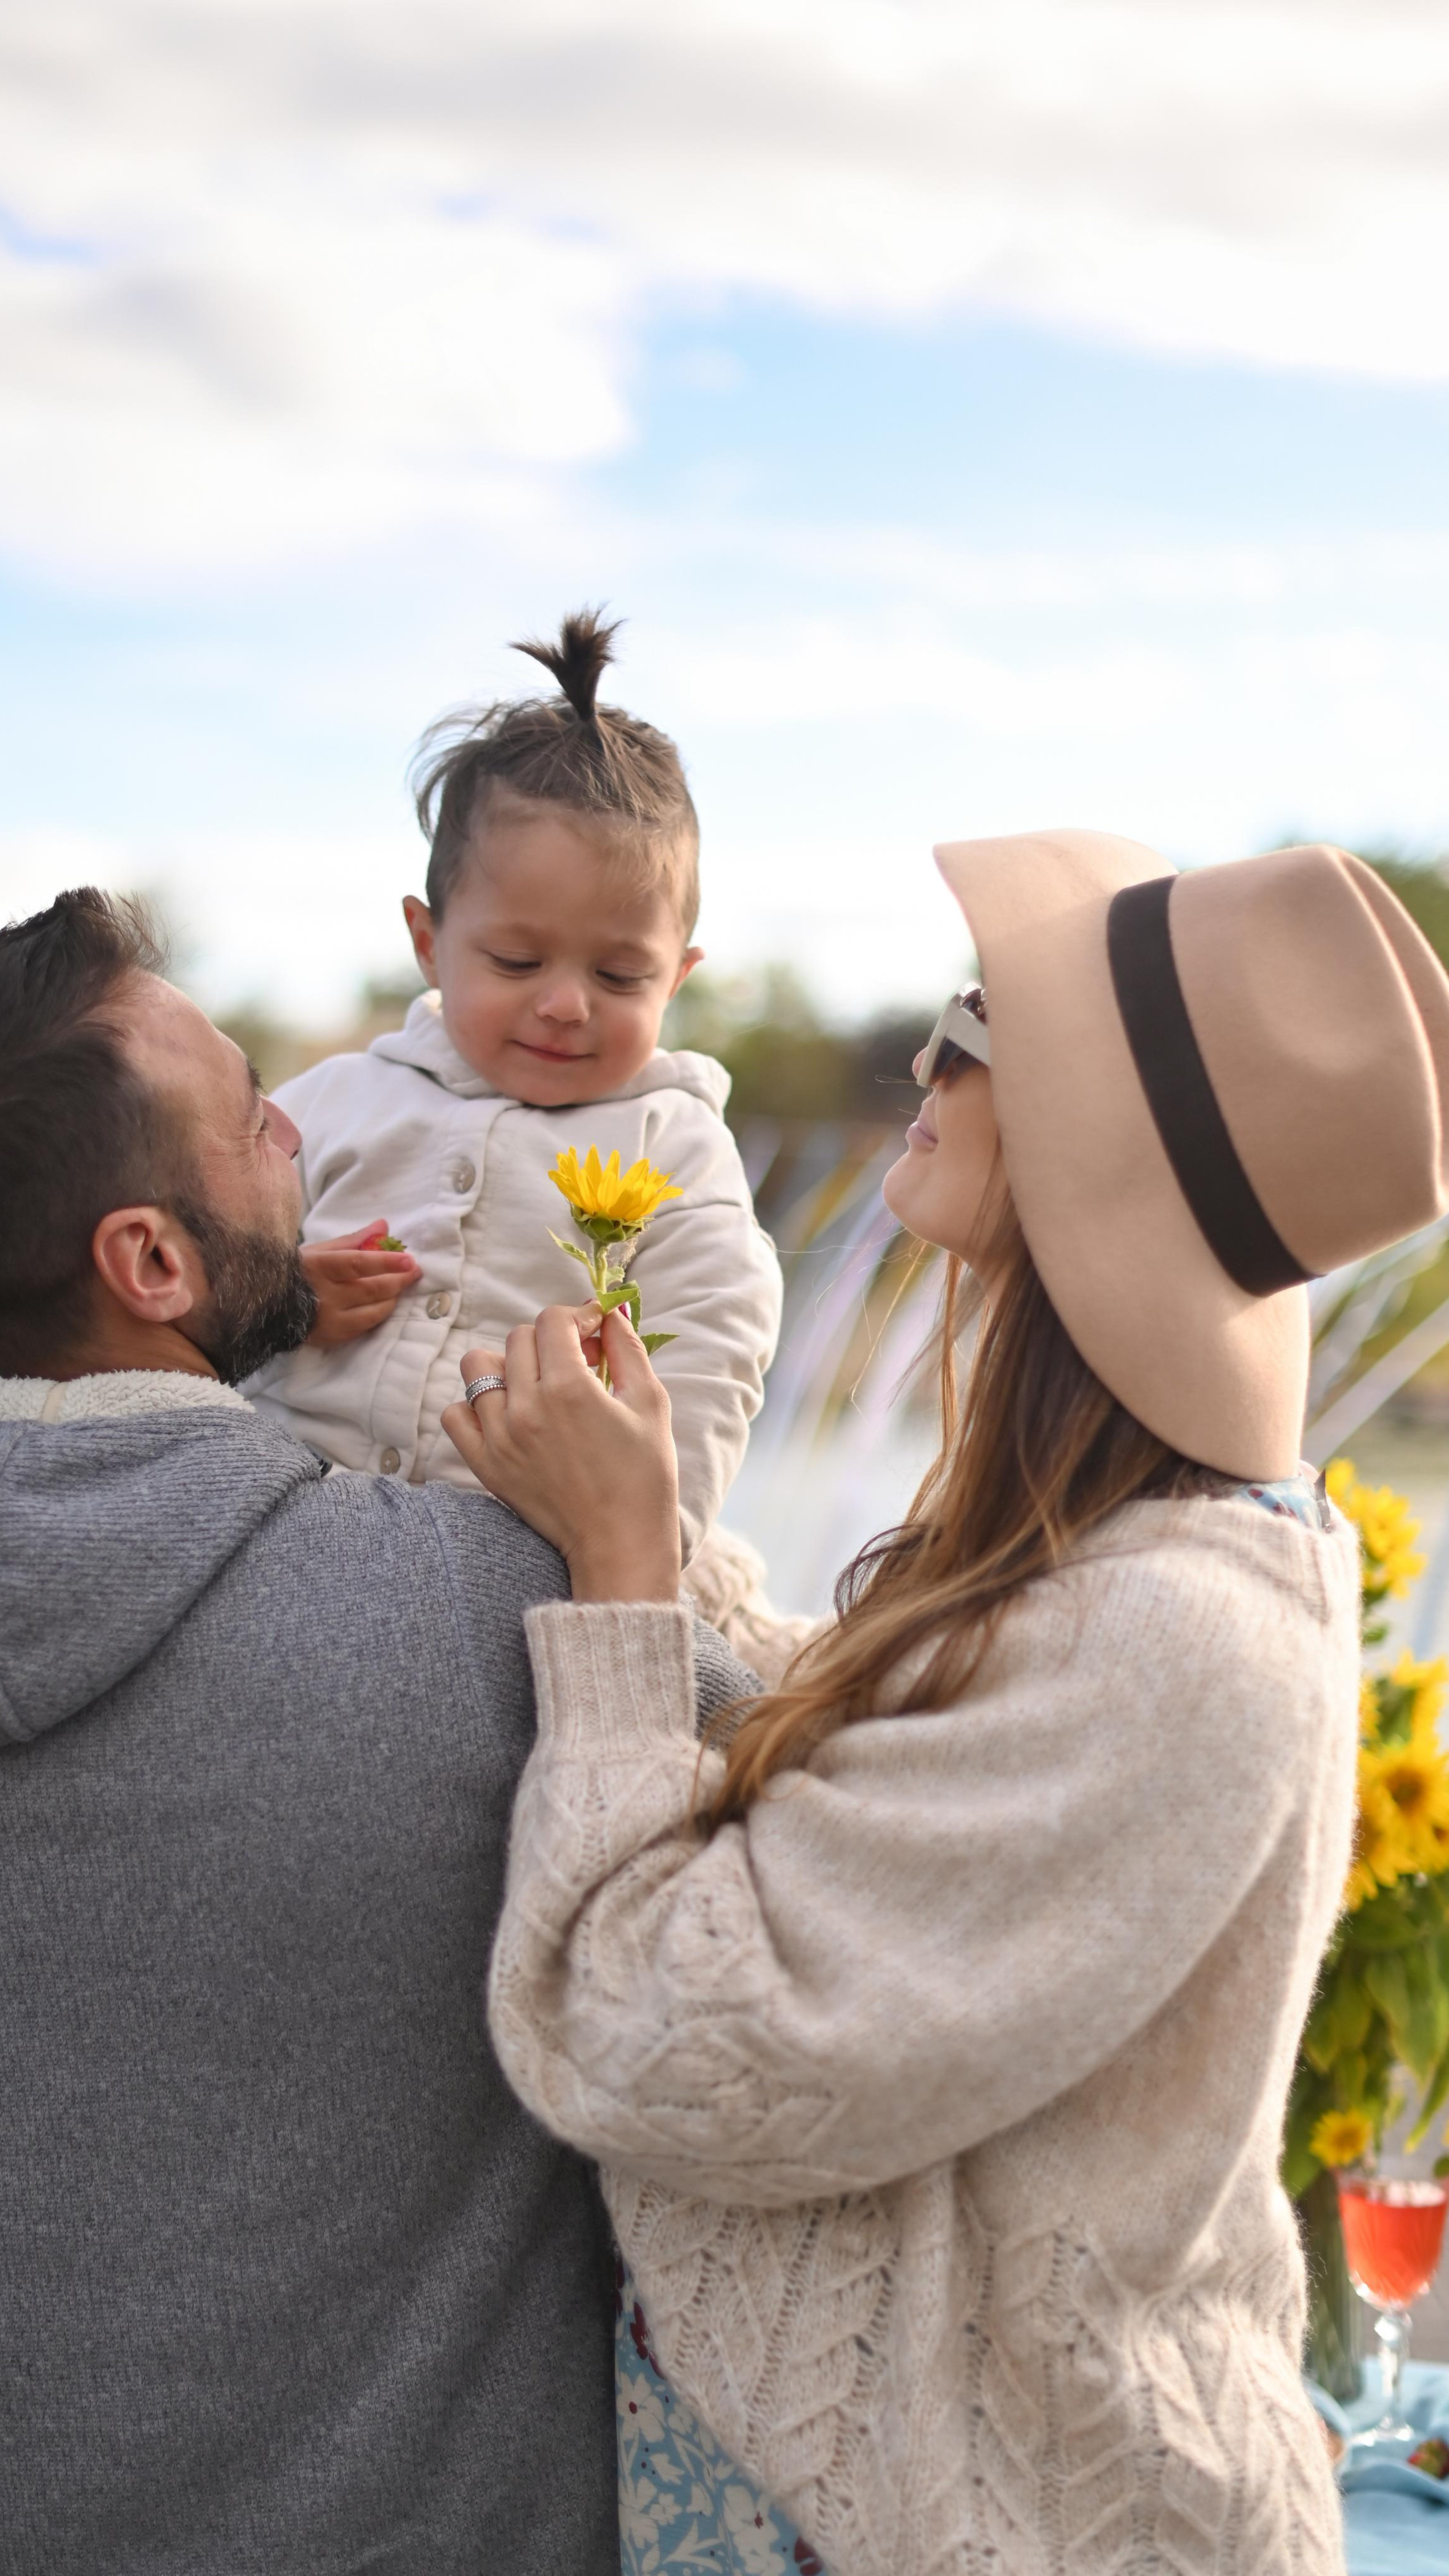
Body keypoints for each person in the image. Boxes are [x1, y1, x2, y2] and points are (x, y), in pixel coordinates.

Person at [440, 832, 1449, 2576]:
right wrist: (658, 1537)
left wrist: (617, 1576)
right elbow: (883, 1812)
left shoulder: (1173, 1645)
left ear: (1092, 1140)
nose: (929, 1060)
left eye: (984, 1026)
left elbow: (653, 2040)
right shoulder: (1120, 1569)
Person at [0, 887, 751, 2576]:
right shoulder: (484, 1612)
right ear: (149, 1260)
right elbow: (793, 1857)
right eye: (247, 1118)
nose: (304, 1126)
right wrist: (630, 1557)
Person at [244, 610, 793, 1666]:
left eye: (620, 976)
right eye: (516, 962)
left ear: (678, 976)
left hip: (526, 1578)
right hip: (290, 1557)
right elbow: (195, 1282)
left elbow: (719, 1337)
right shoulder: (335, 1102)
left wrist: (641, 1550)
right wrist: (276, 1302)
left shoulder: (673, 1143)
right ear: (427, 942)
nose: (566, 1006)